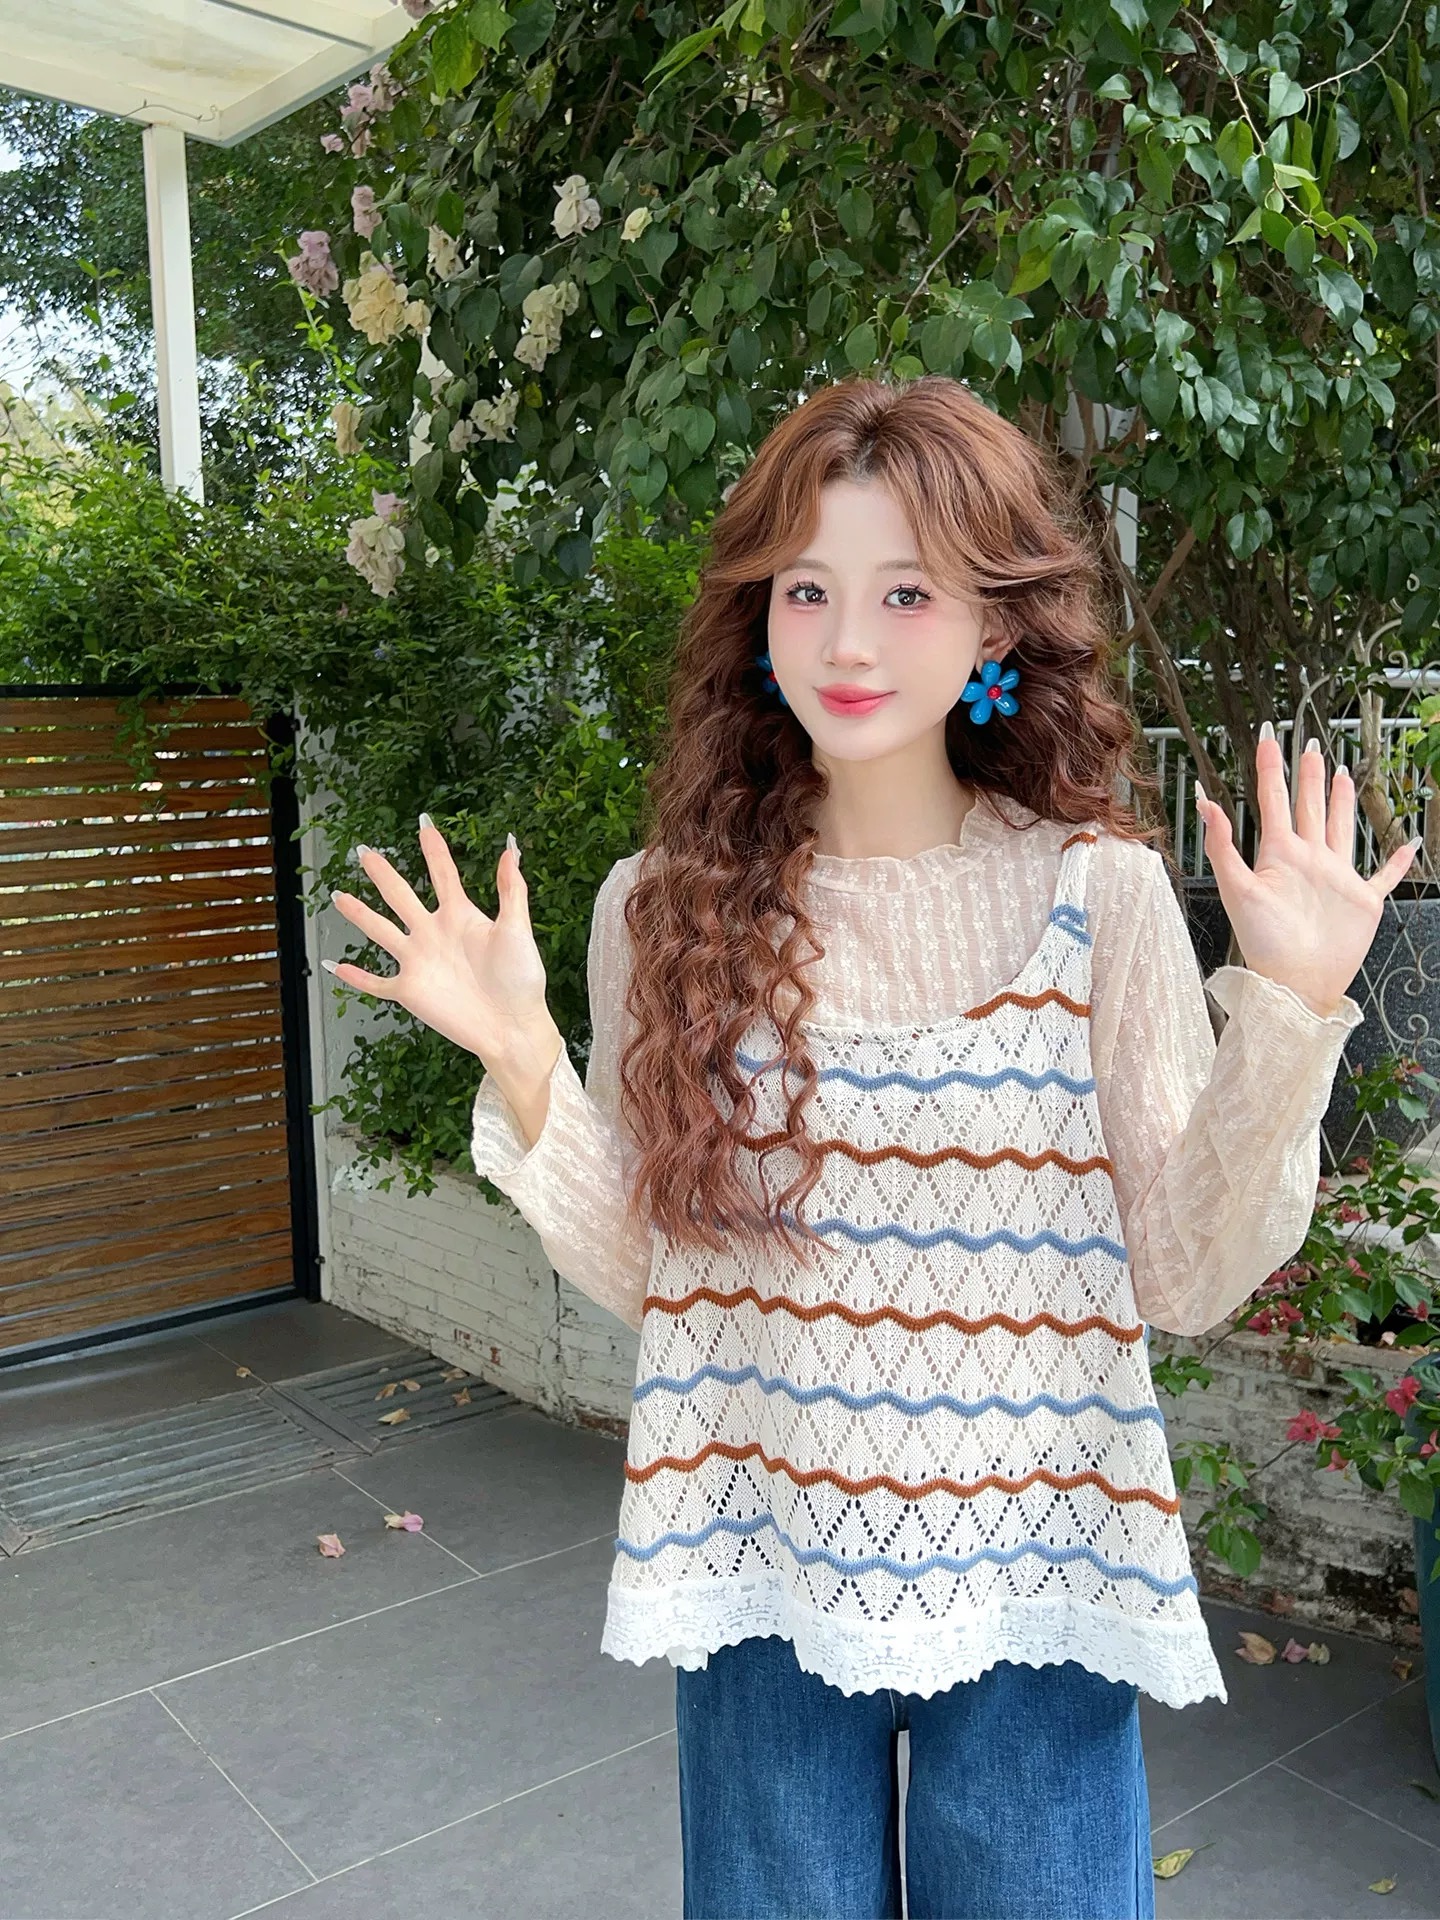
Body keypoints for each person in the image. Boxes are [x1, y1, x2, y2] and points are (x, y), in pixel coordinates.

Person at [324, 374, 1414, 1919]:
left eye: (908, 592)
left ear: (995, 626)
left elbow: (1179, 1274)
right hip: (761, 1553)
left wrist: (1292, 1011)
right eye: (806, 589)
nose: (846, 642)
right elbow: (658, 1277)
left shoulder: (1097, 895)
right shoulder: (662, 910)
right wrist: (524, 1056)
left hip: (1041, 1565)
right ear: (756, 616)